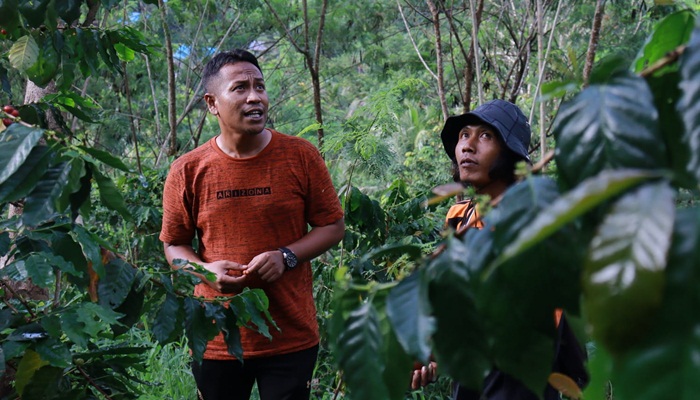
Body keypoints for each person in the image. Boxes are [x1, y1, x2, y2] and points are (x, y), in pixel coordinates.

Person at [159, 49, 345, 400]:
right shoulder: (188, 170)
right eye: (240, 88)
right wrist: (205, 271)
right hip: (217, 336)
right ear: (212, 103)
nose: (255, 96)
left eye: (260, 86)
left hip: (290, 334)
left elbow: (332, 226)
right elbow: (174, 245)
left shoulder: (300, 155)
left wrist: (286, 256)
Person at [412, 99, 588, 399]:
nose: (467, 146)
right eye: (464, 135)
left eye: (485, 136)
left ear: (510, 155)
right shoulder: (460, 218)